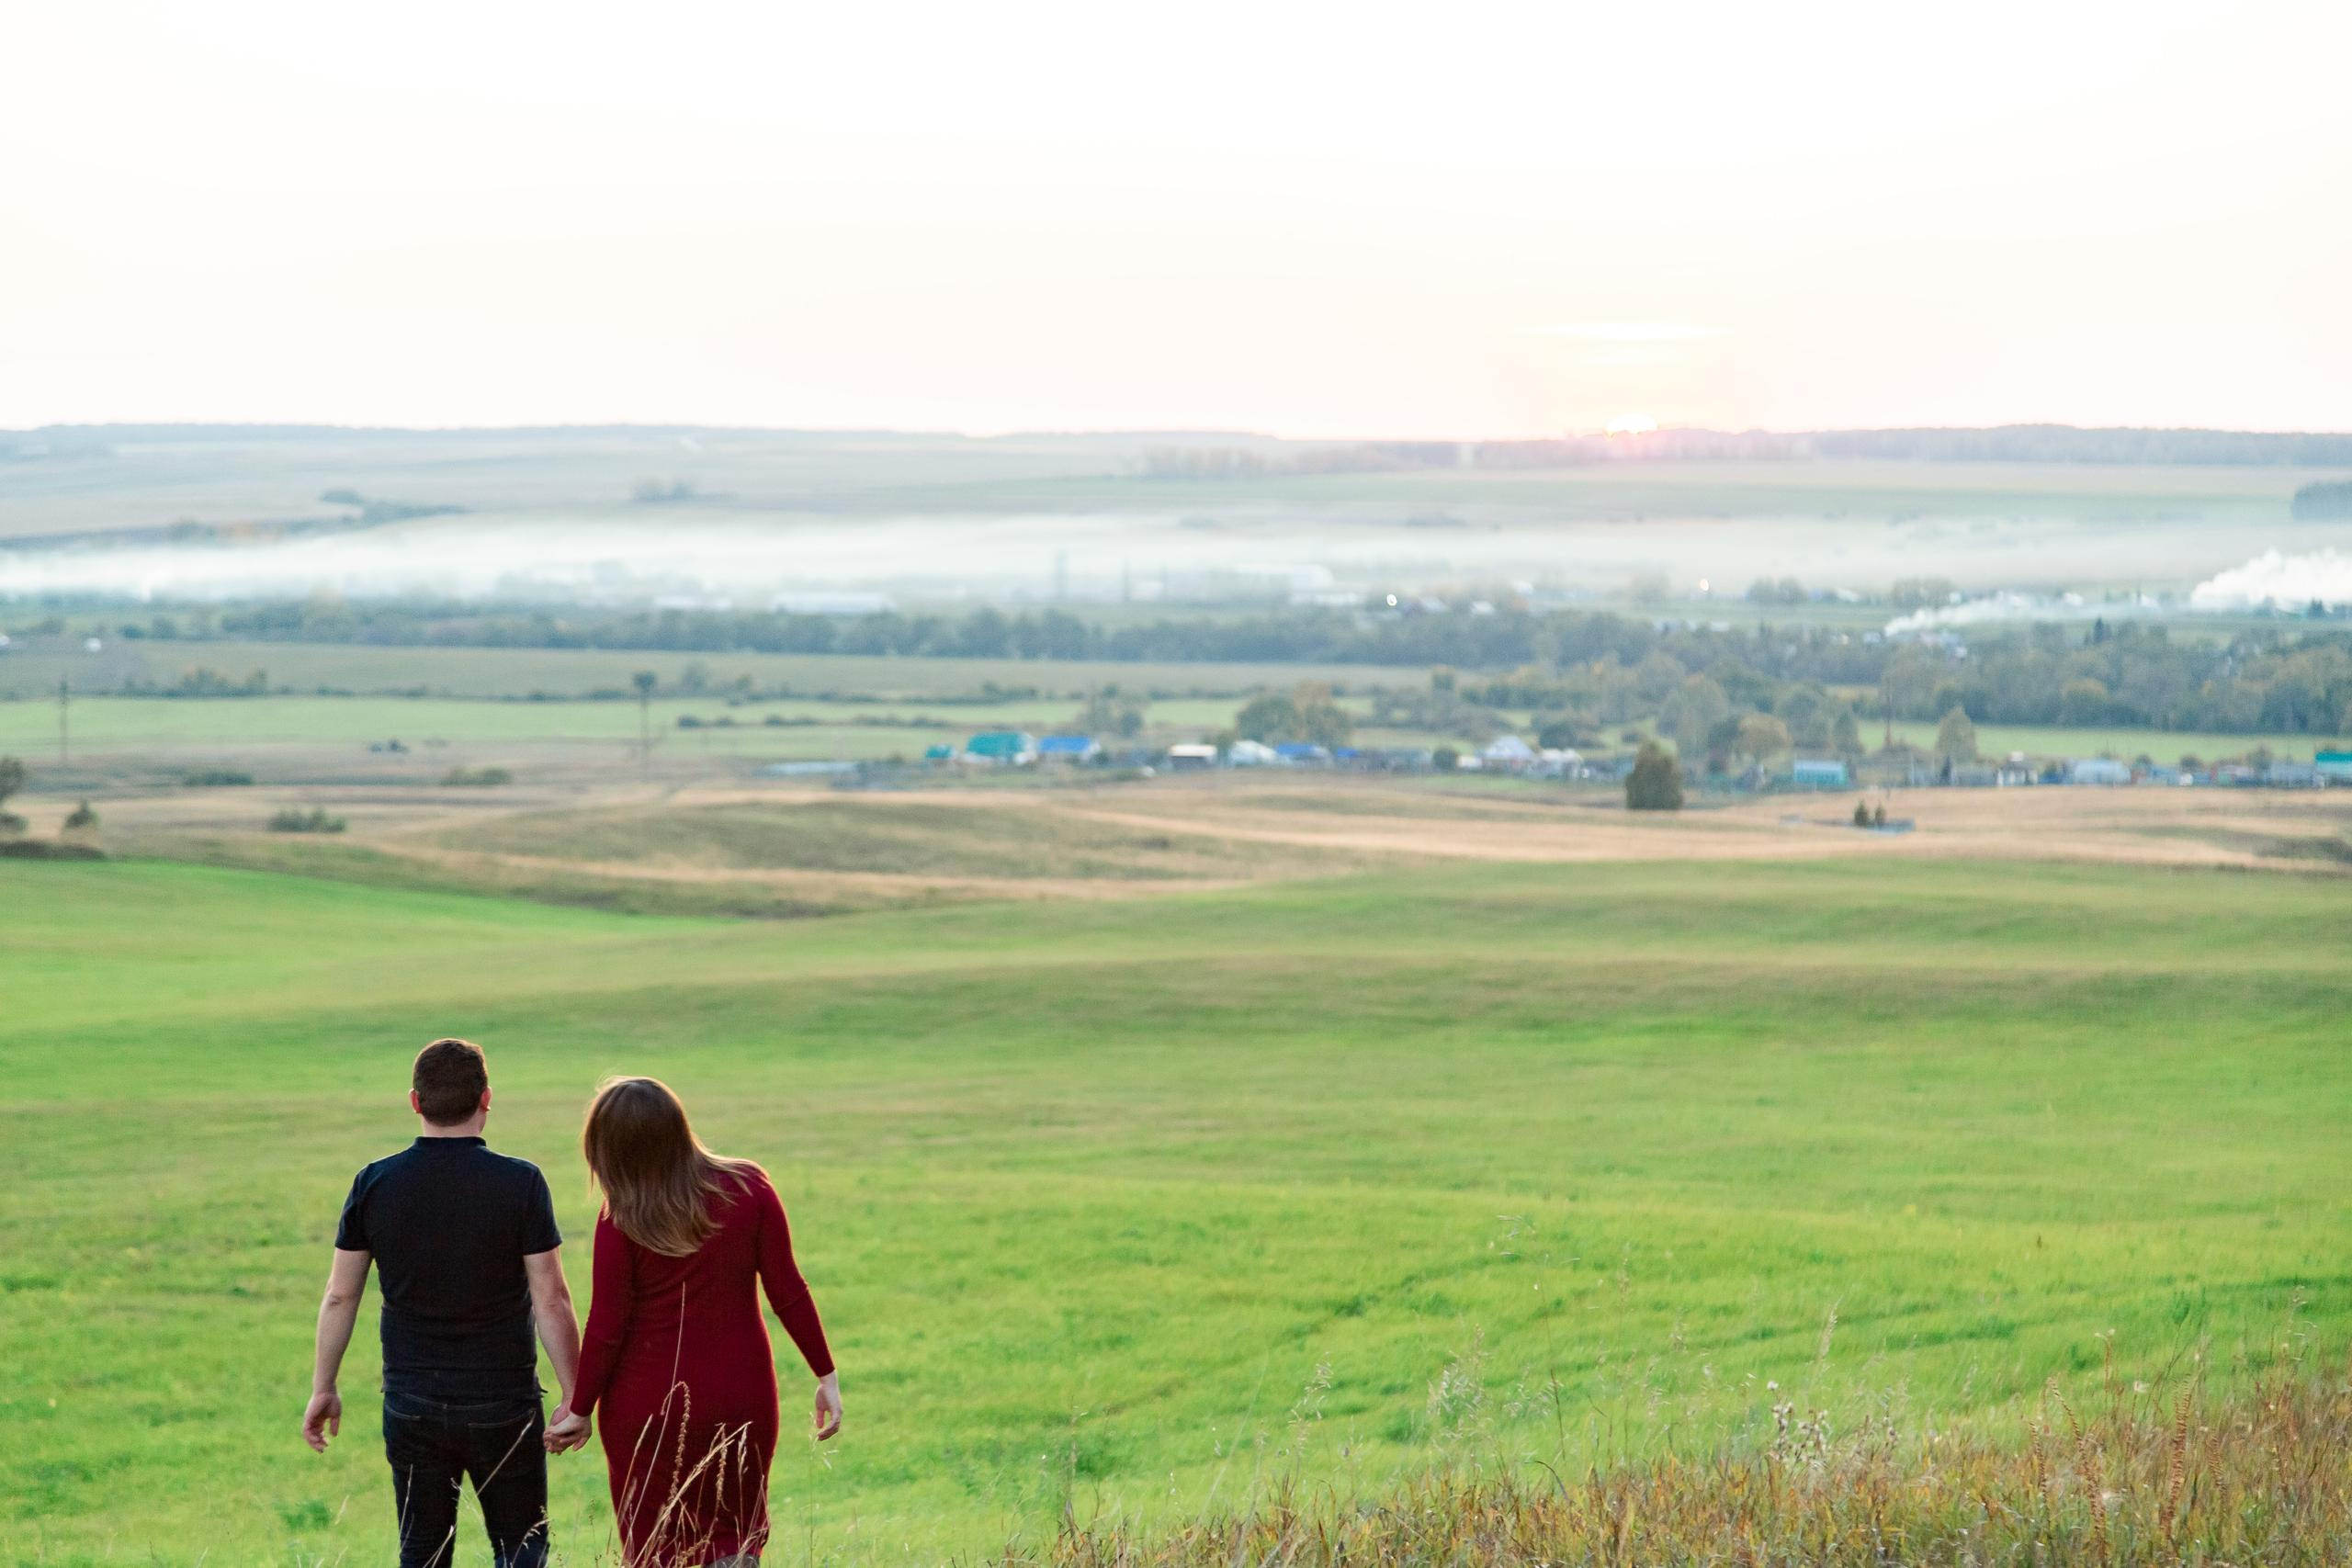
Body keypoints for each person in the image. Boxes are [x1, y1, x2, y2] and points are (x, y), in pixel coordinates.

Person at [302, 1038, 582, 1568]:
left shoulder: (376, 1182)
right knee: (523, 1547)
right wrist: (574, 1393)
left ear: (415, 1102)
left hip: (412, 1402)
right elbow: (552, 1298)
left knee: (423, 1552)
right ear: (486, 1099)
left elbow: (341, 1294)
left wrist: (324, 1386)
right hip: (503, 1400)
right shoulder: (521, 1182)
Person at [545, 1077, 841, 1565]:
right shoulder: (750, 1188)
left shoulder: (621, 1218)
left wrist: (579, 1408)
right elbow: (788, 1289)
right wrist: (825, 1373)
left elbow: (607, 1324)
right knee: (735, 1538)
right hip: (741, 1395)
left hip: (646, 1410)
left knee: (657, 1544)